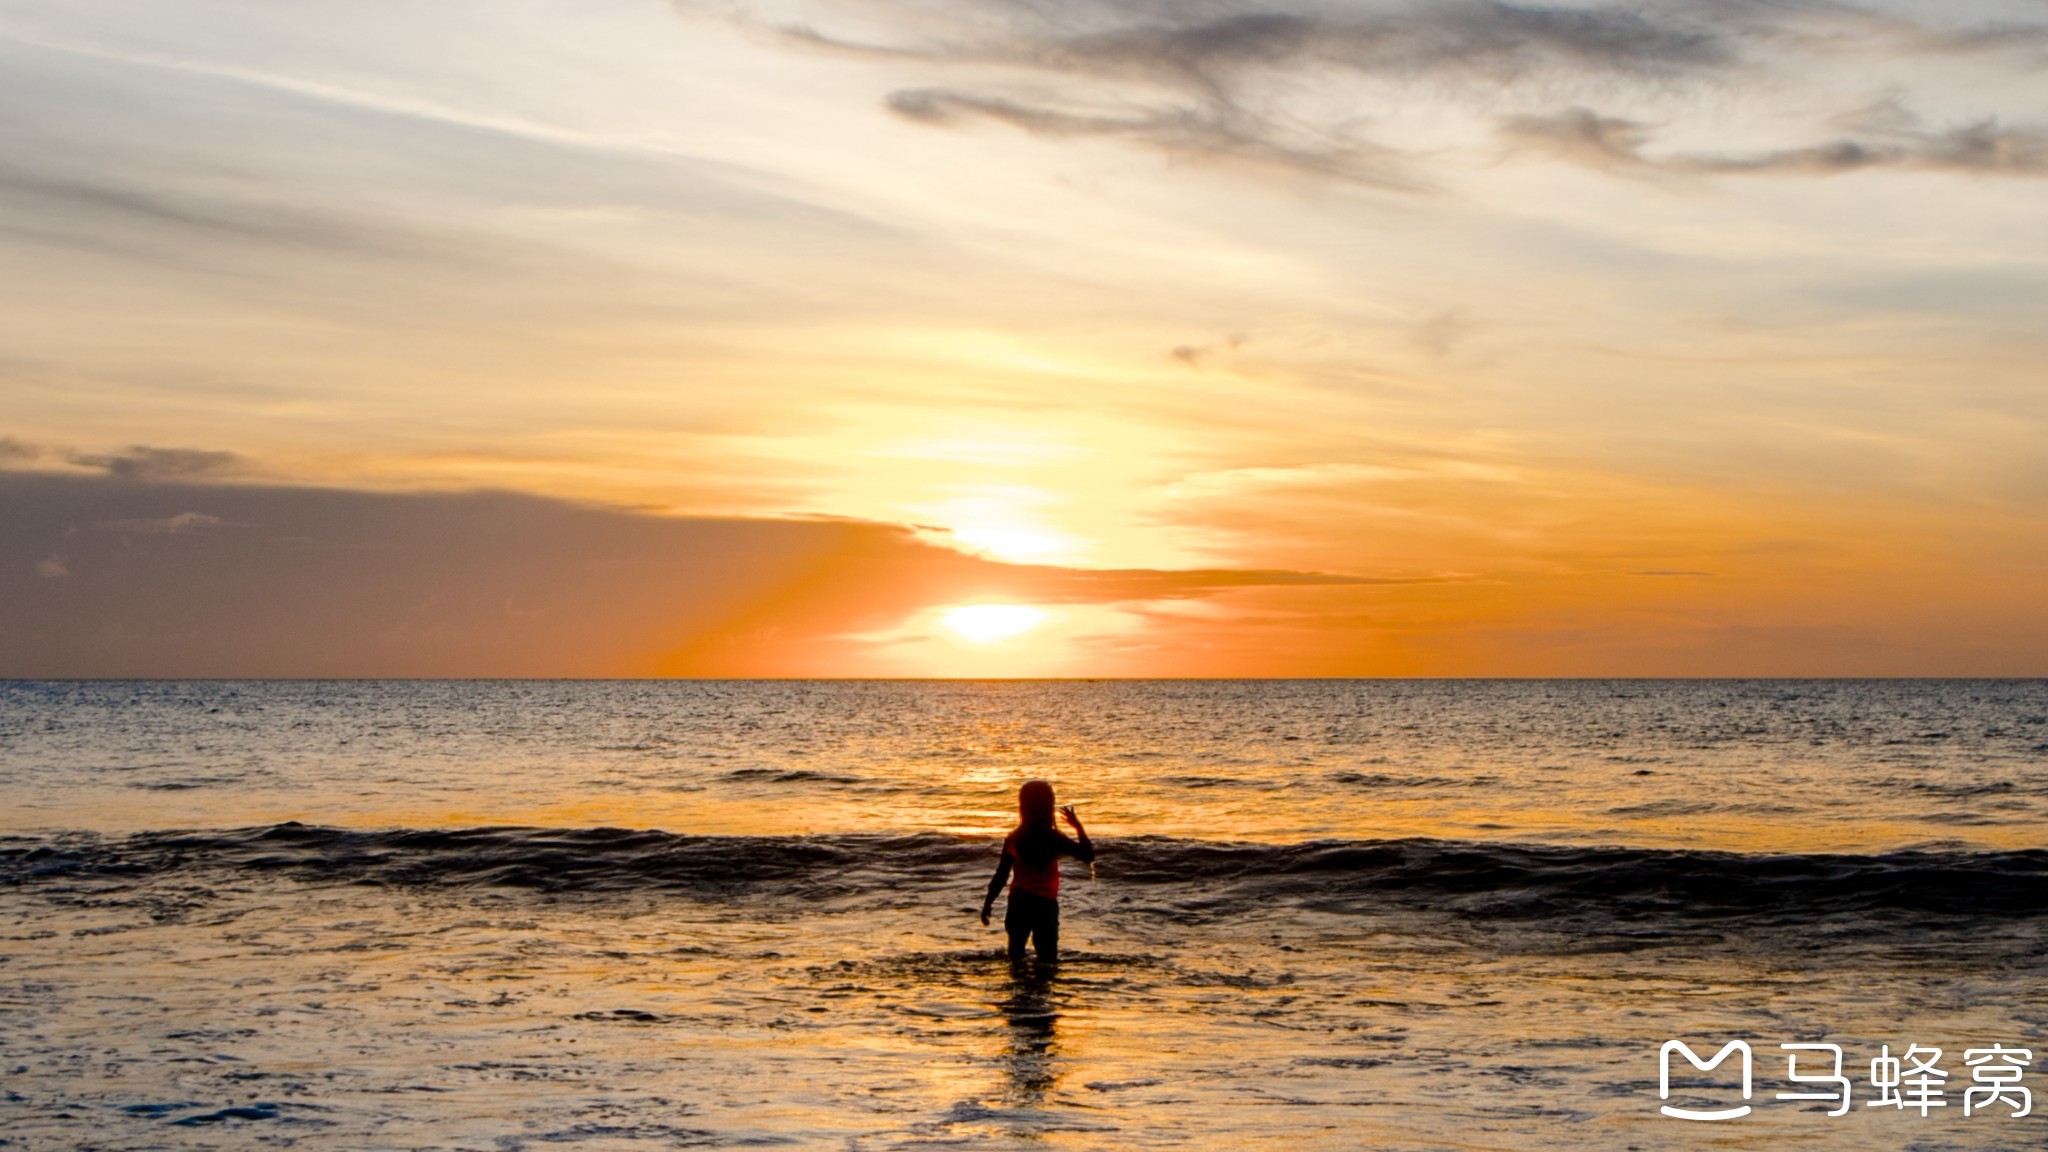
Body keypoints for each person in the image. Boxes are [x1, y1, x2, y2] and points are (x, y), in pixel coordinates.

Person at [980, 779, 1095, 965]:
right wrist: (1077, 826)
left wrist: (988, 903)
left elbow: (1001, 876)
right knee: (1048, 961)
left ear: (1023, 806)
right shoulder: (1054, 838)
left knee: (1016, 959)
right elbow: (1088, 856)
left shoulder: (1015, 838)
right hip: (1045, 906)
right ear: (1049, 806)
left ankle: (1018, 992)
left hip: (1019, 903)